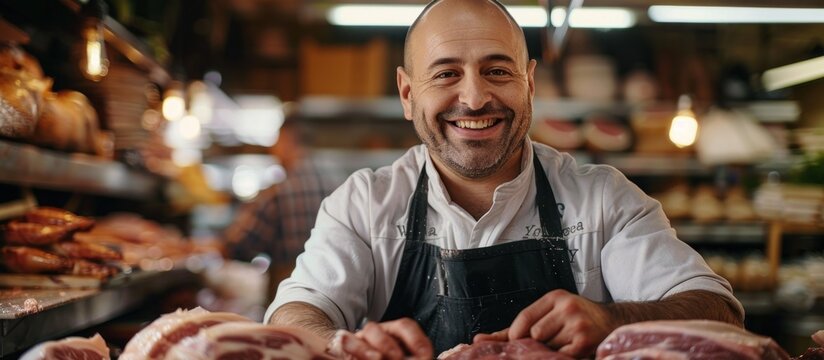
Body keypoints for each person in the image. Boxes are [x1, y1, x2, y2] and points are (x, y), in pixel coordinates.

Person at [266, 0, 744, 358]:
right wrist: (342, 344)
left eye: (497, 70)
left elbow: (718, 311)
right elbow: (297, 314)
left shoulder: (603, 199)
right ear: (408, 94)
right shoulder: (364, 204)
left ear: (529, 85)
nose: (474, 98)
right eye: (446, 74)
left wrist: (613, 319)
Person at [223, 119, 331, 302]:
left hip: (287, 293)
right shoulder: (338, 184)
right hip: (330, 292)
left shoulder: (277, 193)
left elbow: (238, 245)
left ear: (287, 142)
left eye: (276, 142)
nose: (273, 150)